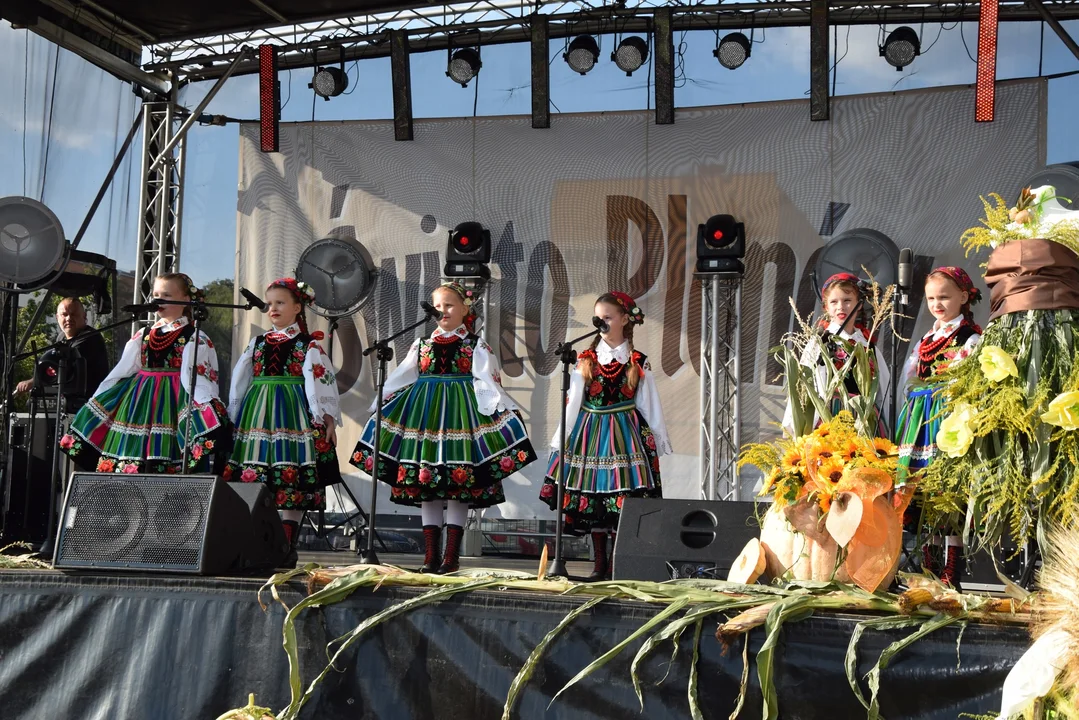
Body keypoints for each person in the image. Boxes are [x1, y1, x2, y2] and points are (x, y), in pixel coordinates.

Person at [350, 281, 537, 574]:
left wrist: (505, 407)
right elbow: (402, 376)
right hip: (424, 417)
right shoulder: (422, 344)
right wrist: (379, 403)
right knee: (428, 485)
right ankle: (430, 556)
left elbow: (488, 381)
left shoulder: (476, 345)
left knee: (458, 485)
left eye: (449, 305)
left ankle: (451, 556)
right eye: (438, 306)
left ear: (466, 308)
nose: (443, 311)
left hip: (461, 417)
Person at [538, 291, 671, 581]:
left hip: (625, 435)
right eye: (598, 318)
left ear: (625, 319)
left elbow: (649, 405)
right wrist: (561, 440)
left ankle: (615, 564)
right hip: (590, 434)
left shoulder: (637, 361)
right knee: (595, 498)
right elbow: (573, 402)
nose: (602, 322)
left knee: (621, 499)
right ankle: (599, 565)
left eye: (608, 317)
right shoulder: (586, 359)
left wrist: (657, 440)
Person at [59, 273, 230, 474]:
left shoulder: (195, 336)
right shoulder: (144, 334)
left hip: (173, 400)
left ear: (186, 300)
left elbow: (196, 378)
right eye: (155, 294)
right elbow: (122, 370)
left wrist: (210, 407)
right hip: (139, 399)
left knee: (169, 453)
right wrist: (99, 396)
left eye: (166, 295)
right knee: (133, 453)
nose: (158, 299)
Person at [225, 277, 341, 564]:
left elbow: (320, 383)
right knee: (257, 473)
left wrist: (326, 419)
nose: (273, 308)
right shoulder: (258, 342)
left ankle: (285, 547)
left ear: (297, 308)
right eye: (270, 303)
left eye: (280, 303)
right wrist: (234, 415)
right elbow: (241, 381)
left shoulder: (308, 345)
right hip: (257, 412)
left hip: (293, 412)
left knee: (293, 477)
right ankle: (257, 545)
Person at [894, 266, 982, 589]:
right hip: (920, 420)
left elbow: (969, 378)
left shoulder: (969, 338)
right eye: (931, 298)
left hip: (947, 418)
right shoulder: (926, 339)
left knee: (948, 492)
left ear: (964, 296)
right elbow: (909, 378)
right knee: (923, 491)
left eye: (944, 296)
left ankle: (952, 569)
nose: (937, 303)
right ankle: (929, 566)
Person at [781, 272, 890, 438]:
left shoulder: (867, 345)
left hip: (863, 420)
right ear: (826, 307)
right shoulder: (820, 342)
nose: (841, 307)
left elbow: (884, 387)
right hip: (830, 417)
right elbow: (804, 387)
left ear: (859, 304)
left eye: (847, 301)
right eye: (834, 302)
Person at [15, 297, 110, 409]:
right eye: (64, 315)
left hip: (90, 405)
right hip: (68, 401)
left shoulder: (90, 337)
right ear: (57, 317)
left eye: (73, 314)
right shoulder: (61, 338)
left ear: (84, 317)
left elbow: (61, 366)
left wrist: (33, 381)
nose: (68, 318)